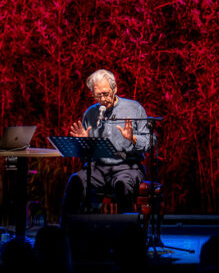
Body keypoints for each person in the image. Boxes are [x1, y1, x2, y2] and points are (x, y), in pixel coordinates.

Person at [62, 69, 152, 217]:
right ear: (92, 94)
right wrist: (84, 143)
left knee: (123, 185)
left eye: (105, 93)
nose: (103, 99)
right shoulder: (90, 113)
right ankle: (67, 234)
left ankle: (127, 233)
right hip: (97, 168)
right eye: (98, 95)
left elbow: (150, 142)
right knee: (75, 181)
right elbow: (84, 157)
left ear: (115, 88)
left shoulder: (134, 108)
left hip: (127, 167)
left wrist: (133, 138)